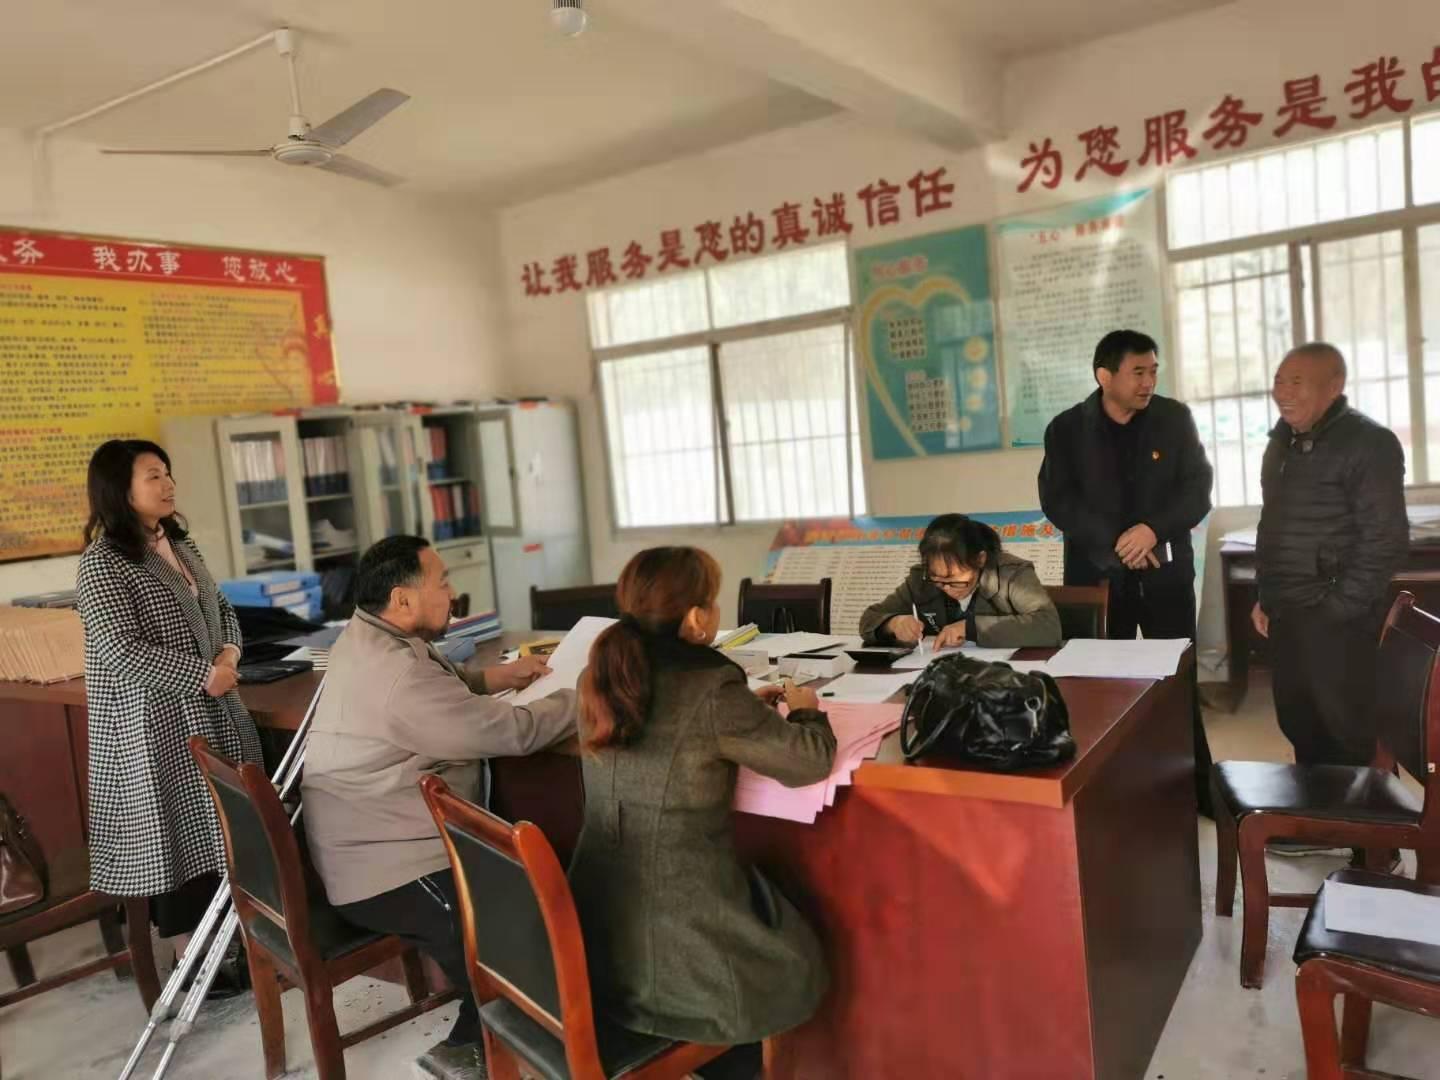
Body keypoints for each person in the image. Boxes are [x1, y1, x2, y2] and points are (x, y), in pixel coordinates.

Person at [301, 535, 573, 1080]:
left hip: (367, 840)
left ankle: (487, 1036)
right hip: (386, 867)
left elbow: (428, 685)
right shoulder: (397, 676)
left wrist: (489, 678)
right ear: (402, 600)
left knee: (516, 903)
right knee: (509, 922)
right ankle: (475, 1050)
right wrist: (588, 696)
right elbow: (514, 732)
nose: (454, 592)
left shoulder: (369, 635)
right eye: (442, 581)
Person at [567, 547, 836, 1080]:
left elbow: (670, 727)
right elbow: (809, 762)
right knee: (796, 957)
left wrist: (742, 711)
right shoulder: (712, 687)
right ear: (695, 617)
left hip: (598, 926)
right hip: (682, 934)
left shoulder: (600, 672)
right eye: (711, 602)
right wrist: (806, 708)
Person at [75, 439, 257, 994]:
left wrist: (229, 652)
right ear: (120, 491)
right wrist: (202, 675)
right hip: (152, 721)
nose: (167, 483)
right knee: (176, 836)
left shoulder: (177, 541)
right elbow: (119, 649)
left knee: (218, 828)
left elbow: (221, 607)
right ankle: (189, 959)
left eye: (167, 473)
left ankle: (231, 946)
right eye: (153, 476)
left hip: (209, 707)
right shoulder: (102, 563)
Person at [1037, 329, 1216, 815]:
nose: (1149, 381)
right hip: (1098, 579)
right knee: (1100, 689)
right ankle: (1106, 794)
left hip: (1166, 574)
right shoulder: (1067, 429)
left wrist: (1152, 531)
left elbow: (1197, 489)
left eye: (1154, 370)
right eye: (1139, 371)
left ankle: (1197, 790)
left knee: (1177, 687)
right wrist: (1121, 544)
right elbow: (1058, 501)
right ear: (1105, 376)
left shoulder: (1174, 419)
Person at [1252, 343, 1407, 773]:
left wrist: (1338, 609)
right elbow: (1273, 528)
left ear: (1334, 386)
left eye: (1296, 382)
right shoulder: (1280, 444)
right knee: (1301, 722)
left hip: (1336, 618)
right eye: (1279, 381)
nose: (1283, 391)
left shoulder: (1370, 443)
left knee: (1347, 729)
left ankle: (1371, 832)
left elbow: (1386, 540)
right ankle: (1321, 824)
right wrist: (1265, 594)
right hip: (1287, 611)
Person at [858, 513, 1061, 649]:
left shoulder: (1011, 576)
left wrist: (971, 628)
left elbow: (1049, 627)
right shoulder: (921, 579)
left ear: (980, 559)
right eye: (938, 579)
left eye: (955, 580)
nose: (947, 588)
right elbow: (869, 618)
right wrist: (893, 623)